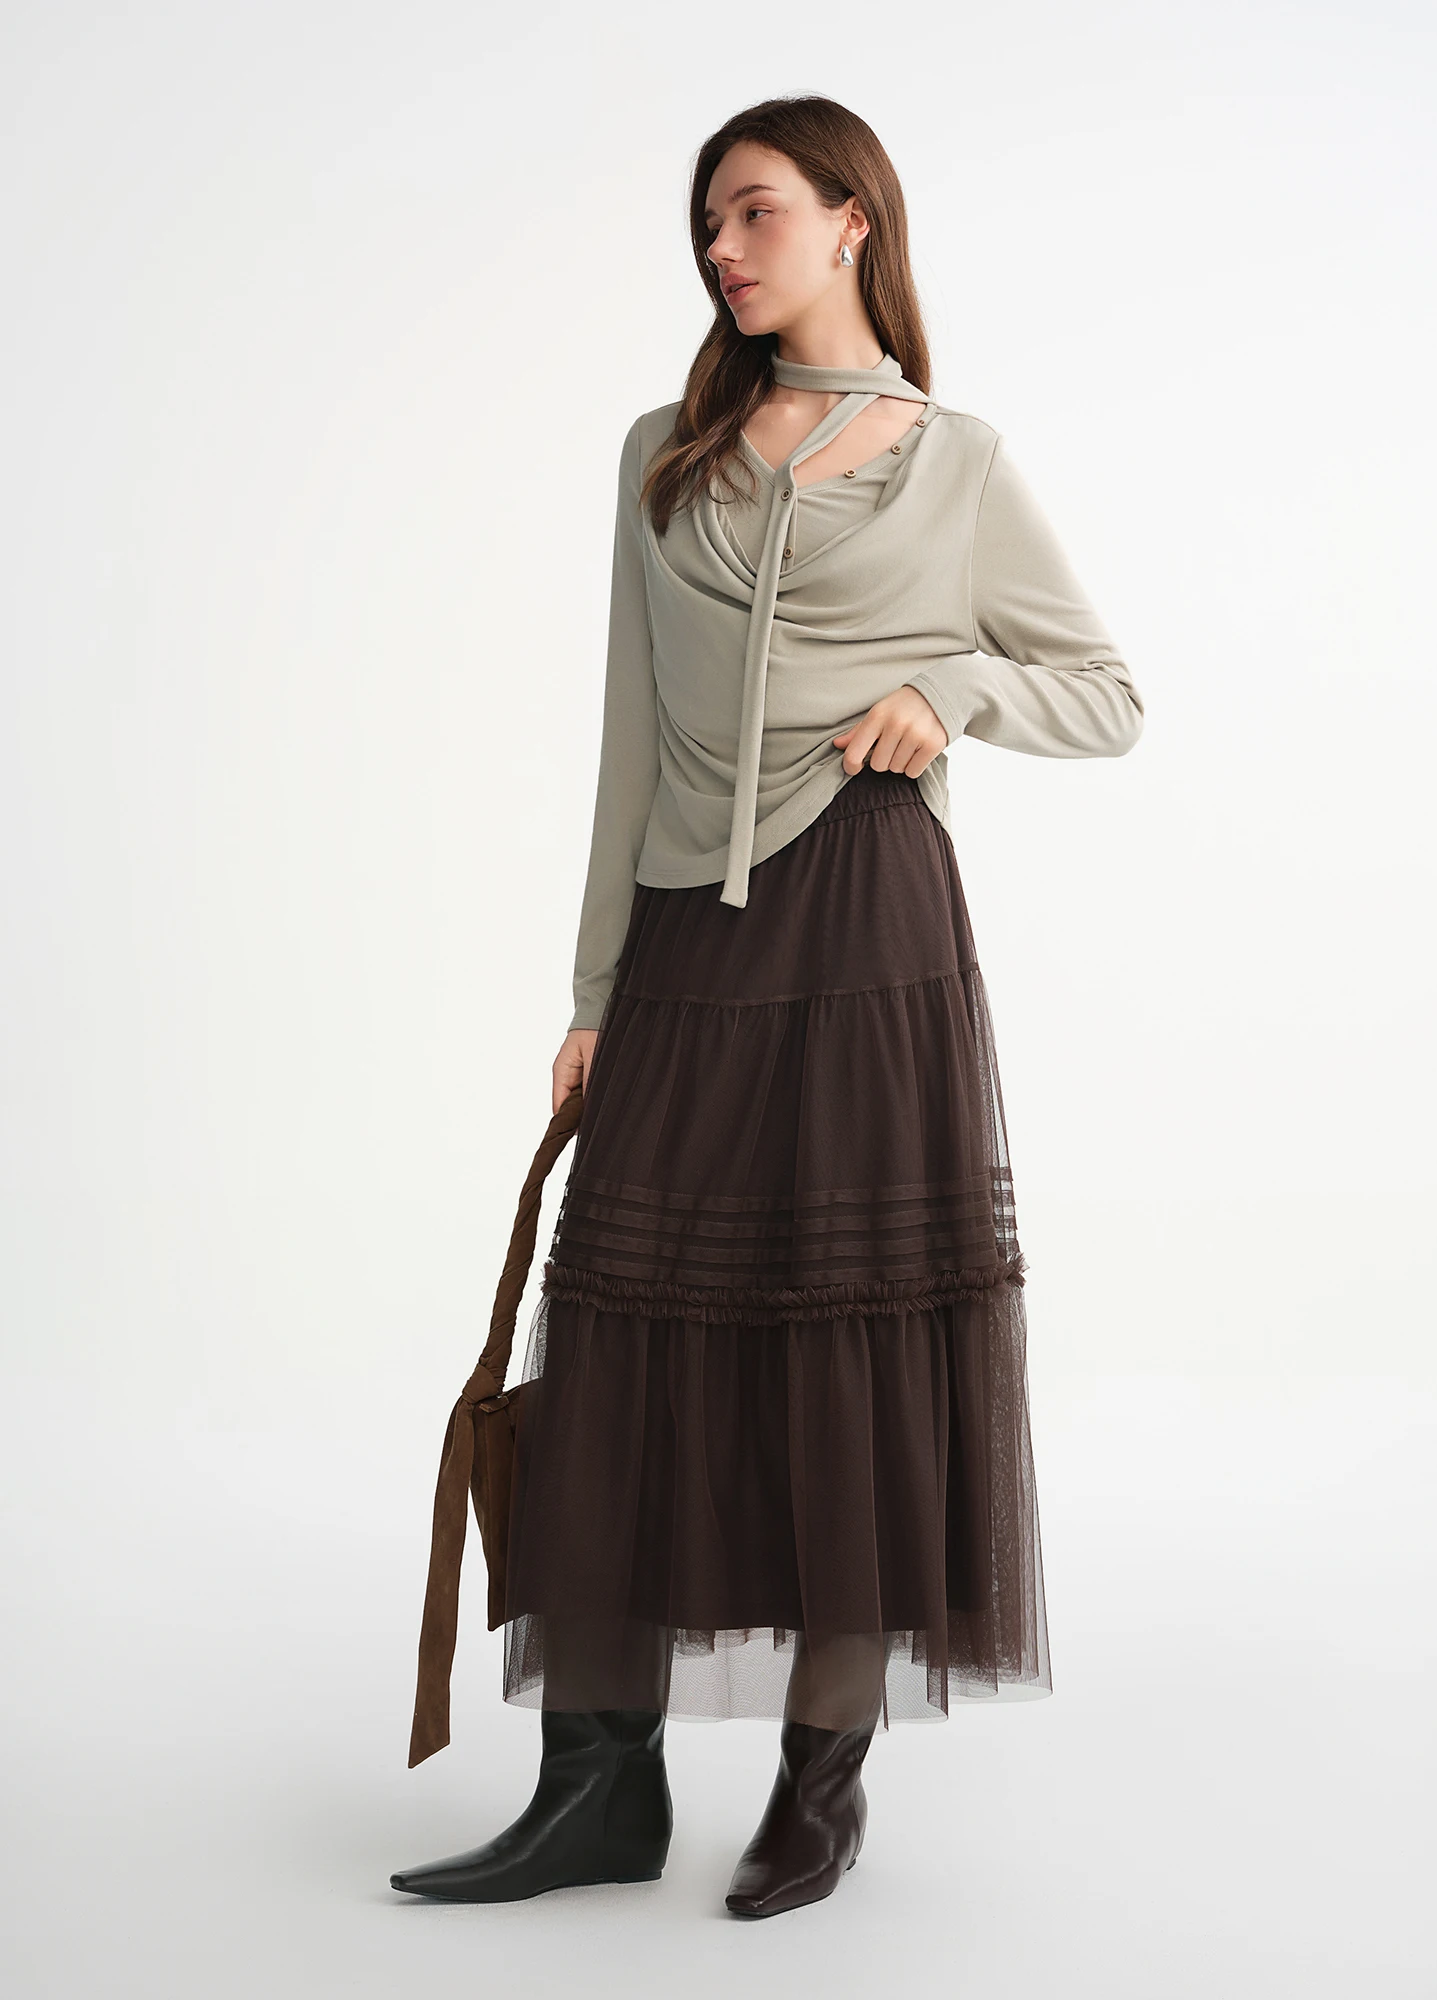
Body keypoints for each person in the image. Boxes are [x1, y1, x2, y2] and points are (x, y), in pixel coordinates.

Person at [390, 91, 1144, 1920]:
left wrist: (954, 689)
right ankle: (599, 1789)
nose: (721, 251)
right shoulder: (665, 455)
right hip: (688, 940)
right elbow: (629, 737)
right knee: (619, 1324)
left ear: (850, 219)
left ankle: (822, 1783)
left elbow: (1107, 692)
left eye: (753, 213)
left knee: (847, 1335)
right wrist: (594, 989)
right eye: (707, 226)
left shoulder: (953, 461)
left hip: (873, 929)